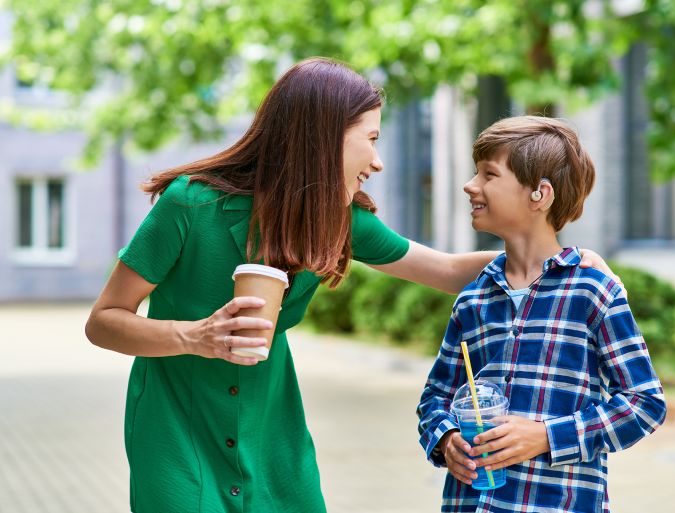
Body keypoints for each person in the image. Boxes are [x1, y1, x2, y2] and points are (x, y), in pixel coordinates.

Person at [85, 58, 616, 513]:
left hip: (272, 430)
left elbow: (449, 271)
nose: (379, 161)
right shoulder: (190, 205)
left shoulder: (340, 220)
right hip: (177, 426)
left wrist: (562, 260)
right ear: (321, 138)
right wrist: (193, 336)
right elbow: (104, 322)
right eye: (371, 140)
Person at [417, 116, 666, 513]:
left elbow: (644, 403)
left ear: (540, 194)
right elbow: (435, 399)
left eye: (488, 174)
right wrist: (446, 439)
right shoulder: (473, 299)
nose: (470, 185)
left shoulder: (592, 291)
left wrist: (548, 436)